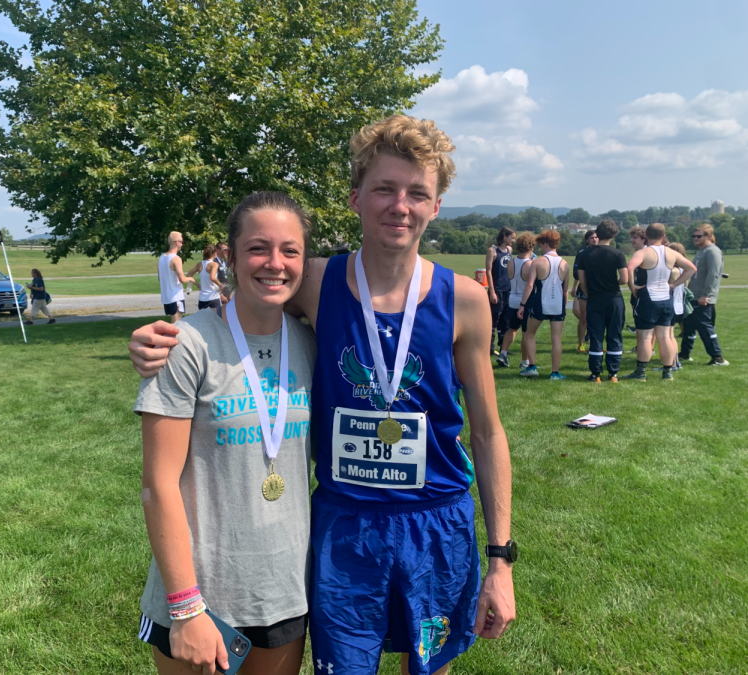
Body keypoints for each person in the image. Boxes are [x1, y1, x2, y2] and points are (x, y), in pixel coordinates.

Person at [129, 115, 515, 675]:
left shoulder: (465, 300)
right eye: (384, 188)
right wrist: (156, 338)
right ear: (357, 197)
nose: (399, 205)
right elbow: (244, 311)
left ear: (436, 205)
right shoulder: (313, 280)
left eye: (417, 193)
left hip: (435, 520)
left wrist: (500, 560)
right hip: (343, 525)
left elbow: (487, 431)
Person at [135, 192, 317, 675]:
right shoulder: (185, 344)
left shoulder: (310, 343)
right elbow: (158, 485)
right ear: (229, 258)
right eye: (258, 248)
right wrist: (186, 607)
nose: (274, 263)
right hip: (200, 595)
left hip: (283, 590)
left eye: (290, 251)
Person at [622, 224, 696, 381]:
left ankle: (641, 373)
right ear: (663, 236)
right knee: (665, 337)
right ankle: (667, 372)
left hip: (648, 298)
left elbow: (629, 267)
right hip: (666, 298)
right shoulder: (671, 252)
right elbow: (691, 268)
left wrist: (632, 286)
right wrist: (675, 285)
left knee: (645, 337)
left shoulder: (643, 252)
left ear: (646, 235)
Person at [578, 220, 629, 383]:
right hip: (614, 299)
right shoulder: (618, 254)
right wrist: (613, 283)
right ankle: (613, 374)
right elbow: (624, 278)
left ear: (597, 234)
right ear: (614, 235)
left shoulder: (585, 254)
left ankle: (595, 374)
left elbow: (582, 281)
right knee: (614, 335)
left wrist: (589, 293)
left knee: (596, 336)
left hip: (595, 299)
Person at [517, 230, 569, 380]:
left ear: (546, 244)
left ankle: (532, 366)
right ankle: (555, 372)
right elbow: (565, 291)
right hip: (557, 305)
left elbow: (530, 286)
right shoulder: (565, 264)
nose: (540, 248)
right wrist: (563, 309)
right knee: (556, 339)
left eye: (540, 245)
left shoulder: (538, 262)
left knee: (530, 334)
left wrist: (522, 305)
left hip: (539, 303)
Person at [679, 223, 728, 366]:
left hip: (703, 298)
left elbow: (714, 274)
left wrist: (706, 295)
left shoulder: (712, 251)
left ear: (708, 236)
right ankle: (685, 354)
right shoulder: (701, 251)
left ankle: (718, 358)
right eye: (693, 236)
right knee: (689, 327)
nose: (695, 238)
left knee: (705, 327)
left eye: (698, 236)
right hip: (693, 296)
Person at [496, 232, 535, 369]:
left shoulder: (511, 262)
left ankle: (503, 353)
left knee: (512, 328)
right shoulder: (531, 264)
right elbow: (530, 285)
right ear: (531, 247)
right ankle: (524, 361)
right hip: (525, 301)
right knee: (526, 333)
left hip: (512, 298)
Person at [485, 227, 515, 356]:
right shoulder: (492, 251)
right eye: (512, 237)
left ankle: (504, 348)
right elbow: (488, 271)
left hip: (508, 290)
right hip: (497, 290)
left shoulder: (509, 250)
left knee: (506, 320)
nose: (513, 240)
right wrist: (492, 291)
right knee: (493, 320)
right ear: (504, 237)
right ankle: (489, 348)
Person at [158, 232, 195, 323]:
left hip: (166, 297)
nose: (182, 244)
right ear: (176, 242)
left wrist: (177, 286)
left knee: (174, 324)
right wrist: (190, 278)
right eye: (182, 242)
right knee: (177, 326)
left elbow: (160, 278)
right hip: (175, 297)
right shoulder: (176, 258)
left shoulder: (162, 257)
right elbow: (182, 279)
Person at [571, 230, 598, 353]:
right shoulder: (581, 253)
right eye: (592, 237)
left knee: (598, 318)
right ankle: (581, 345)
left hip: (598, 288)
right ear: (587, 240)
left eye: (596, 237)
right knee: (584, 318)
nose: (595, 239)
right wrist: (574, 286)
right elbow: (576, 273)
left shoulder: (602, 252)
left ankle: (595, 344)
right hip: (584, 288)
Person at [667, 242, 693, 365]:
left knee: (669, 336)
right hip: (679, 305)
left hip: (671, 305)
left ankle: (672, 363)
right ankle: (675, 362)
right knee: (671, 336)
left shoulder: (674, 271)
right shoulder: (684, 269)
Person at [186, 246, 223, 310]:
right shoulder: (214, 264)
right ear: (214, 253)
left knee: (203, 319)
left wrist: (198, 285)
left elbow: (189, 274)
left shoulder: (199, 264)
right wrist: (221, 285)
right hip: (213, 298)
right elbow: (212, 277)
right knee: (216, 319)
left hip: (202, 299)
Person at [626, 226, 647, 342]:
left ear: (644, 239)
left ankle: (649, 348)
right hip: (637, 292)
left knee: (646, 324)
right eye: (631, 237)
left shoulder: (646, 252)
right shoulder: (639, 252)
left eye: (635, 237)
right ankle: (643, 347)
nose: (632, 240)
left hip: (645, 292)